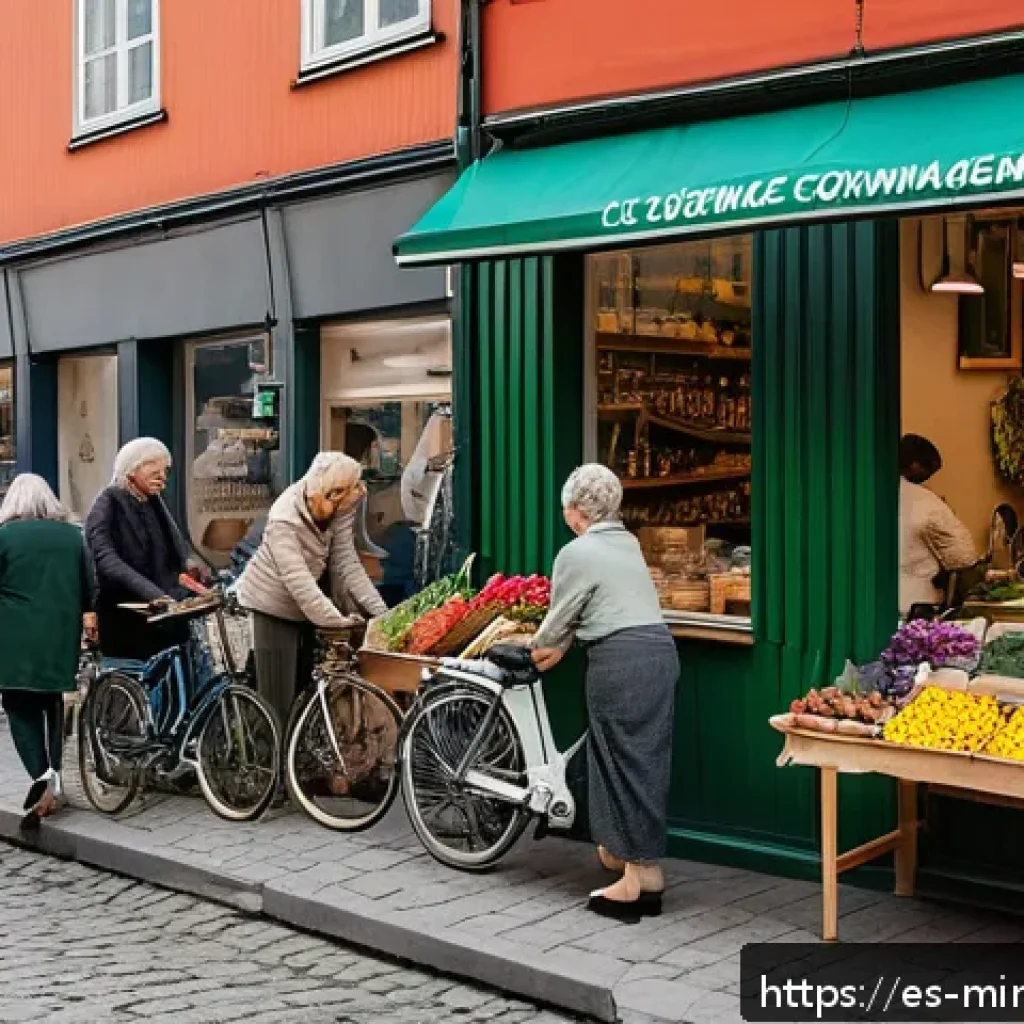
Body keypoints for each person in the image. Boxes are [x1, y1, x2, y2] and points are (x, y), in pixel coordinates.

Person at [531, 464, 679, 922]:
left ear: (576, 512)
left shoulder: (577, 552)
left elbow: (560, 620)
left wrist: (537, 646)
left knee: (620, 765)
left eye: (566, 511)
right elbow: (598, 603)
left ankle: (637, 880)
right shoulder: (629, 542)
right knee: (646, 761)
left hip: (619, 663)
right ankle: (639, 865)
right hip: (659, 654)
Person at [235, 452, 388, 728]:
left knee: (304, 688)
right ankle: (272, 763)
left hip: (308, 605)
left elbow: (347, 562)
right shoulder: (284, 519)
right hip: (272, 605)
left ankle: (297, 758)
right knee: (278, 698)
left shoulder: (339, 506)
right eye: (355, 486)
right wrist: (335, 620)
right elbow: (298, 581)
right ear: (333, 492)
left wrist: (382, 614)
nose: (361, 491)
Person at [0, 474, 96, 827]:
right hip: (60, 635)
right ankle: (54, 782)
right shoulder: (73, 536)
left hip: (13, 638)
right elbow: (90, 587)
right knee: (53, 705)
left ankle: (42, 777)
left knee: (19, 707)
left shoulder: (4, 536)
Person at [85, 438, 191, 662]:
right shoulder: (108, 503)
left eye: (165, 470)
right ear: (131, 469)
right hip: (127, 617)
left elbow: (173, 556)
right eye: (154, 468)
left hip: (164, 615)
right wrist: (150, 592)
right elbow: (105, 558)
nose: (162, 476)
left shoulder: (156, 503)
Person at [899, 433, 978, 616]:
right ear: (914, 465)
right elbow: (964, 557)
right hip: (915, 605)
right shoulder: (926, 502)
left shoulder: (858, 492)